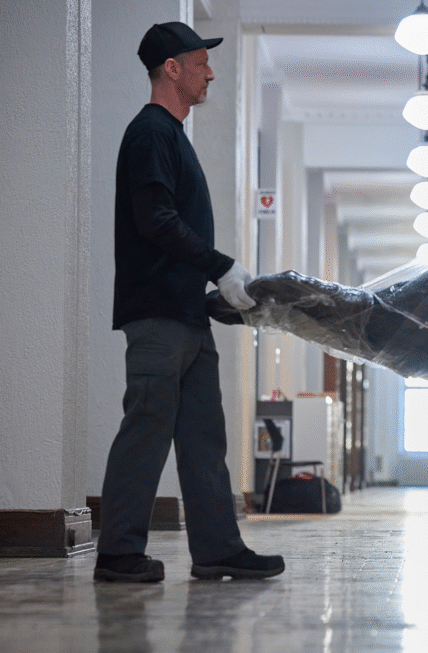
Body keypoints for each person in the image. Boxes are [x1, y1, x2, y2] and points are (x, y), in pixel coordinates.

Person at [94, 22, 284, 582]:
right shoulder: (150, 132)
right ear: (171, 69)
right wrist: (220, 266)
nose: (211, 72)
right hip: (157, 314)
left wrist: (209, 287)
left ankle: (218, 547)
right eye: (201, 62)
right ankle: (118, 552)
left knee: (204, 434)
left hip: (187, 313)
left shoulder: (175, 136)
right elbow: (154, 220)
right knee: (146, 428)